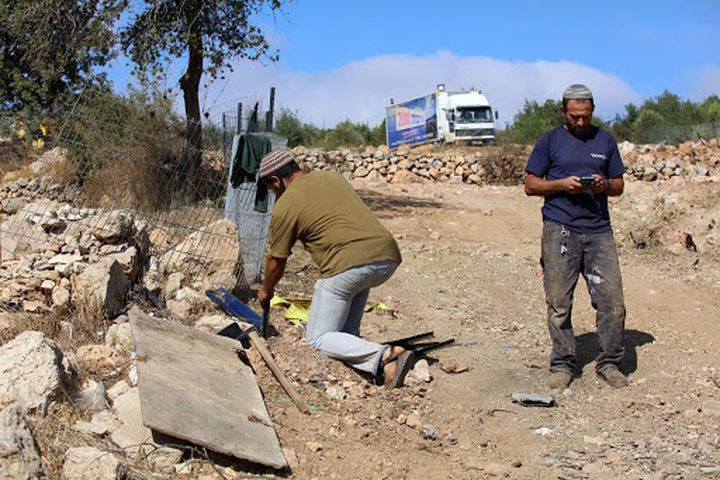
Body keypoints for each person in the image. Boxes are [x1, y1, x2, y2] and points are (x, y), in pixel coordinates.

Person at [256, 150, 414, 388]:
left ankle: (386, 356)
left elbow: (276, 260)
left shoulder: (285, 205)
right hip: (386, 256)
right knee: (344, 334)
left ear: (276, 181)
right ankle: (377, 369)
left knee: (318, 338)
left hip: (347, 266)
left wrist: (266, 291)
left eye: (271, 189)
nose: (273, 195)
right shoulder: (332, 177)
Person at [524, 84, 629, 389]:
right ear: (563, 111)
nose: (580, 122)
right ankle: (562, 363)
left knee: (612, 302)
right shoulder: (550, 140)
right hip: (560, 228)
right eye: (574, 117)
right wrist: (561, 185)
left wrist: (603, 185)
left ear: (592, 110)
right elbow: (531, 185)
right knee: (559, 302)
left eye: (585, 116)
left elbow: (619, 185)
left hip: (599, 231)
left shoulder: (605, 140)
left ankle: (609, 362)